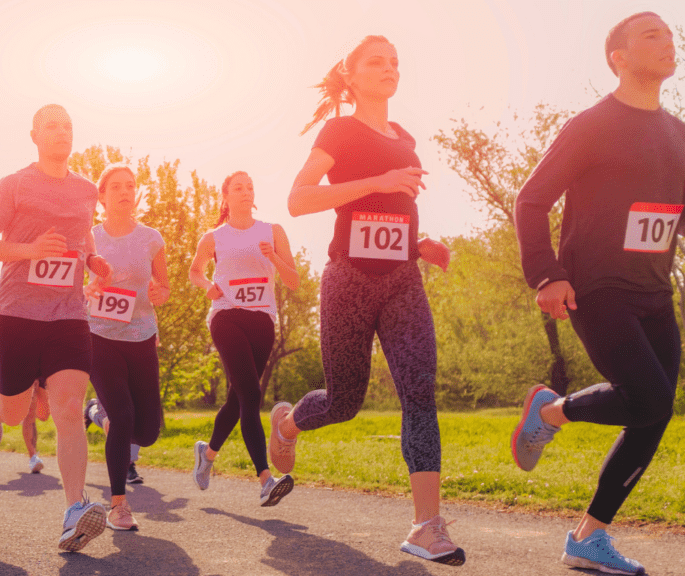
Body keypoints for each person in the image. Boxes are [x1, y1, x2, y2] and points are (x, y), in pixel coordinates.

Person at [268, 36, 464, 566]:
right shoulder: (340, 131)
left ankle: (426, 525)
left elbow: (392, 215)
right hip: (349, 280)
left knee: (419, 390)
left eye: (395, 62)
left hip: (402, 279)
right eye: (376, 61)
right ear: (351, 76)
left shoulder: (406, 139)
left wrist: (421, 244)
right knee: (344, 402)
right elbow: (299, 198)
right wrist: (377, 179)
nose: (389, 68)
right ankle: (286, 424)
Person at [512, 13, 684, 575]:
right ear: (618, 56)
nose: (669, 41)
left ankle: (588, 537)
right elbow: (531, 200)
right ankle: (555, 412)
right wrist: (546, 273)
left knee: (652, 413)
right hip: (595, 287)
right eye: (652, 34)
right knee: (654, 400)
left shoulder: (678, 133)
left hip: (655, 291)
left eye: (671, 33)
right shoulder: (592, 124)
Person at [0, 104, 113, 552]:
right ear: (34, 135)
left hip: (68, 314)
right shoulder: (14, 185)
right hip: (15, 314)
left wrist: (91, 258)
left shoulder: (88, 189)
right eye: (52, 125)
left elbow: (82, 235)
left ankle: (74, 512)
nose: (61, 132)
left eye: (68, 125)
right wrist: (29, 250)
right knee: (15, 412)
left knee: (69, 409)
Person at [189, 171, 299, 507]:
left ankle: (207, 454)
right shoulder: (214, 237)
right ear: (225, 196)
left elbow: (292, 280)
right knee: (251, 395)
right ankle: (266, 480)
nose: (246, 192)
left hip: (262, 319)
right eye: (238, 188)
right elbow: (195, 270)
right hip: (225, 315)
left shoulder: (272, 231)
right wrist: (208, 286)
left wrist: (274, 256)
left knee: (239, 399)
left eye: (250, 187)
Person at [80, 164, 170, 530]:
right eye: (115, 186)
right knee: (123, 415)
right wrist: (87, 290)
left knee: (147, 431)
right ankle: (119, 505)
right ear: (102, 196)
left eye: (130, 186)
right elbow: (74, 284)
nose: (124, 191)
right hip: (99, 335)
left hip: (141, 335)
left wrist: (158, 293)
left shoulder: (152, 238)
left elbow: (163, 289)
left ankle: (96, 413)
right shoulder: (89, 237)